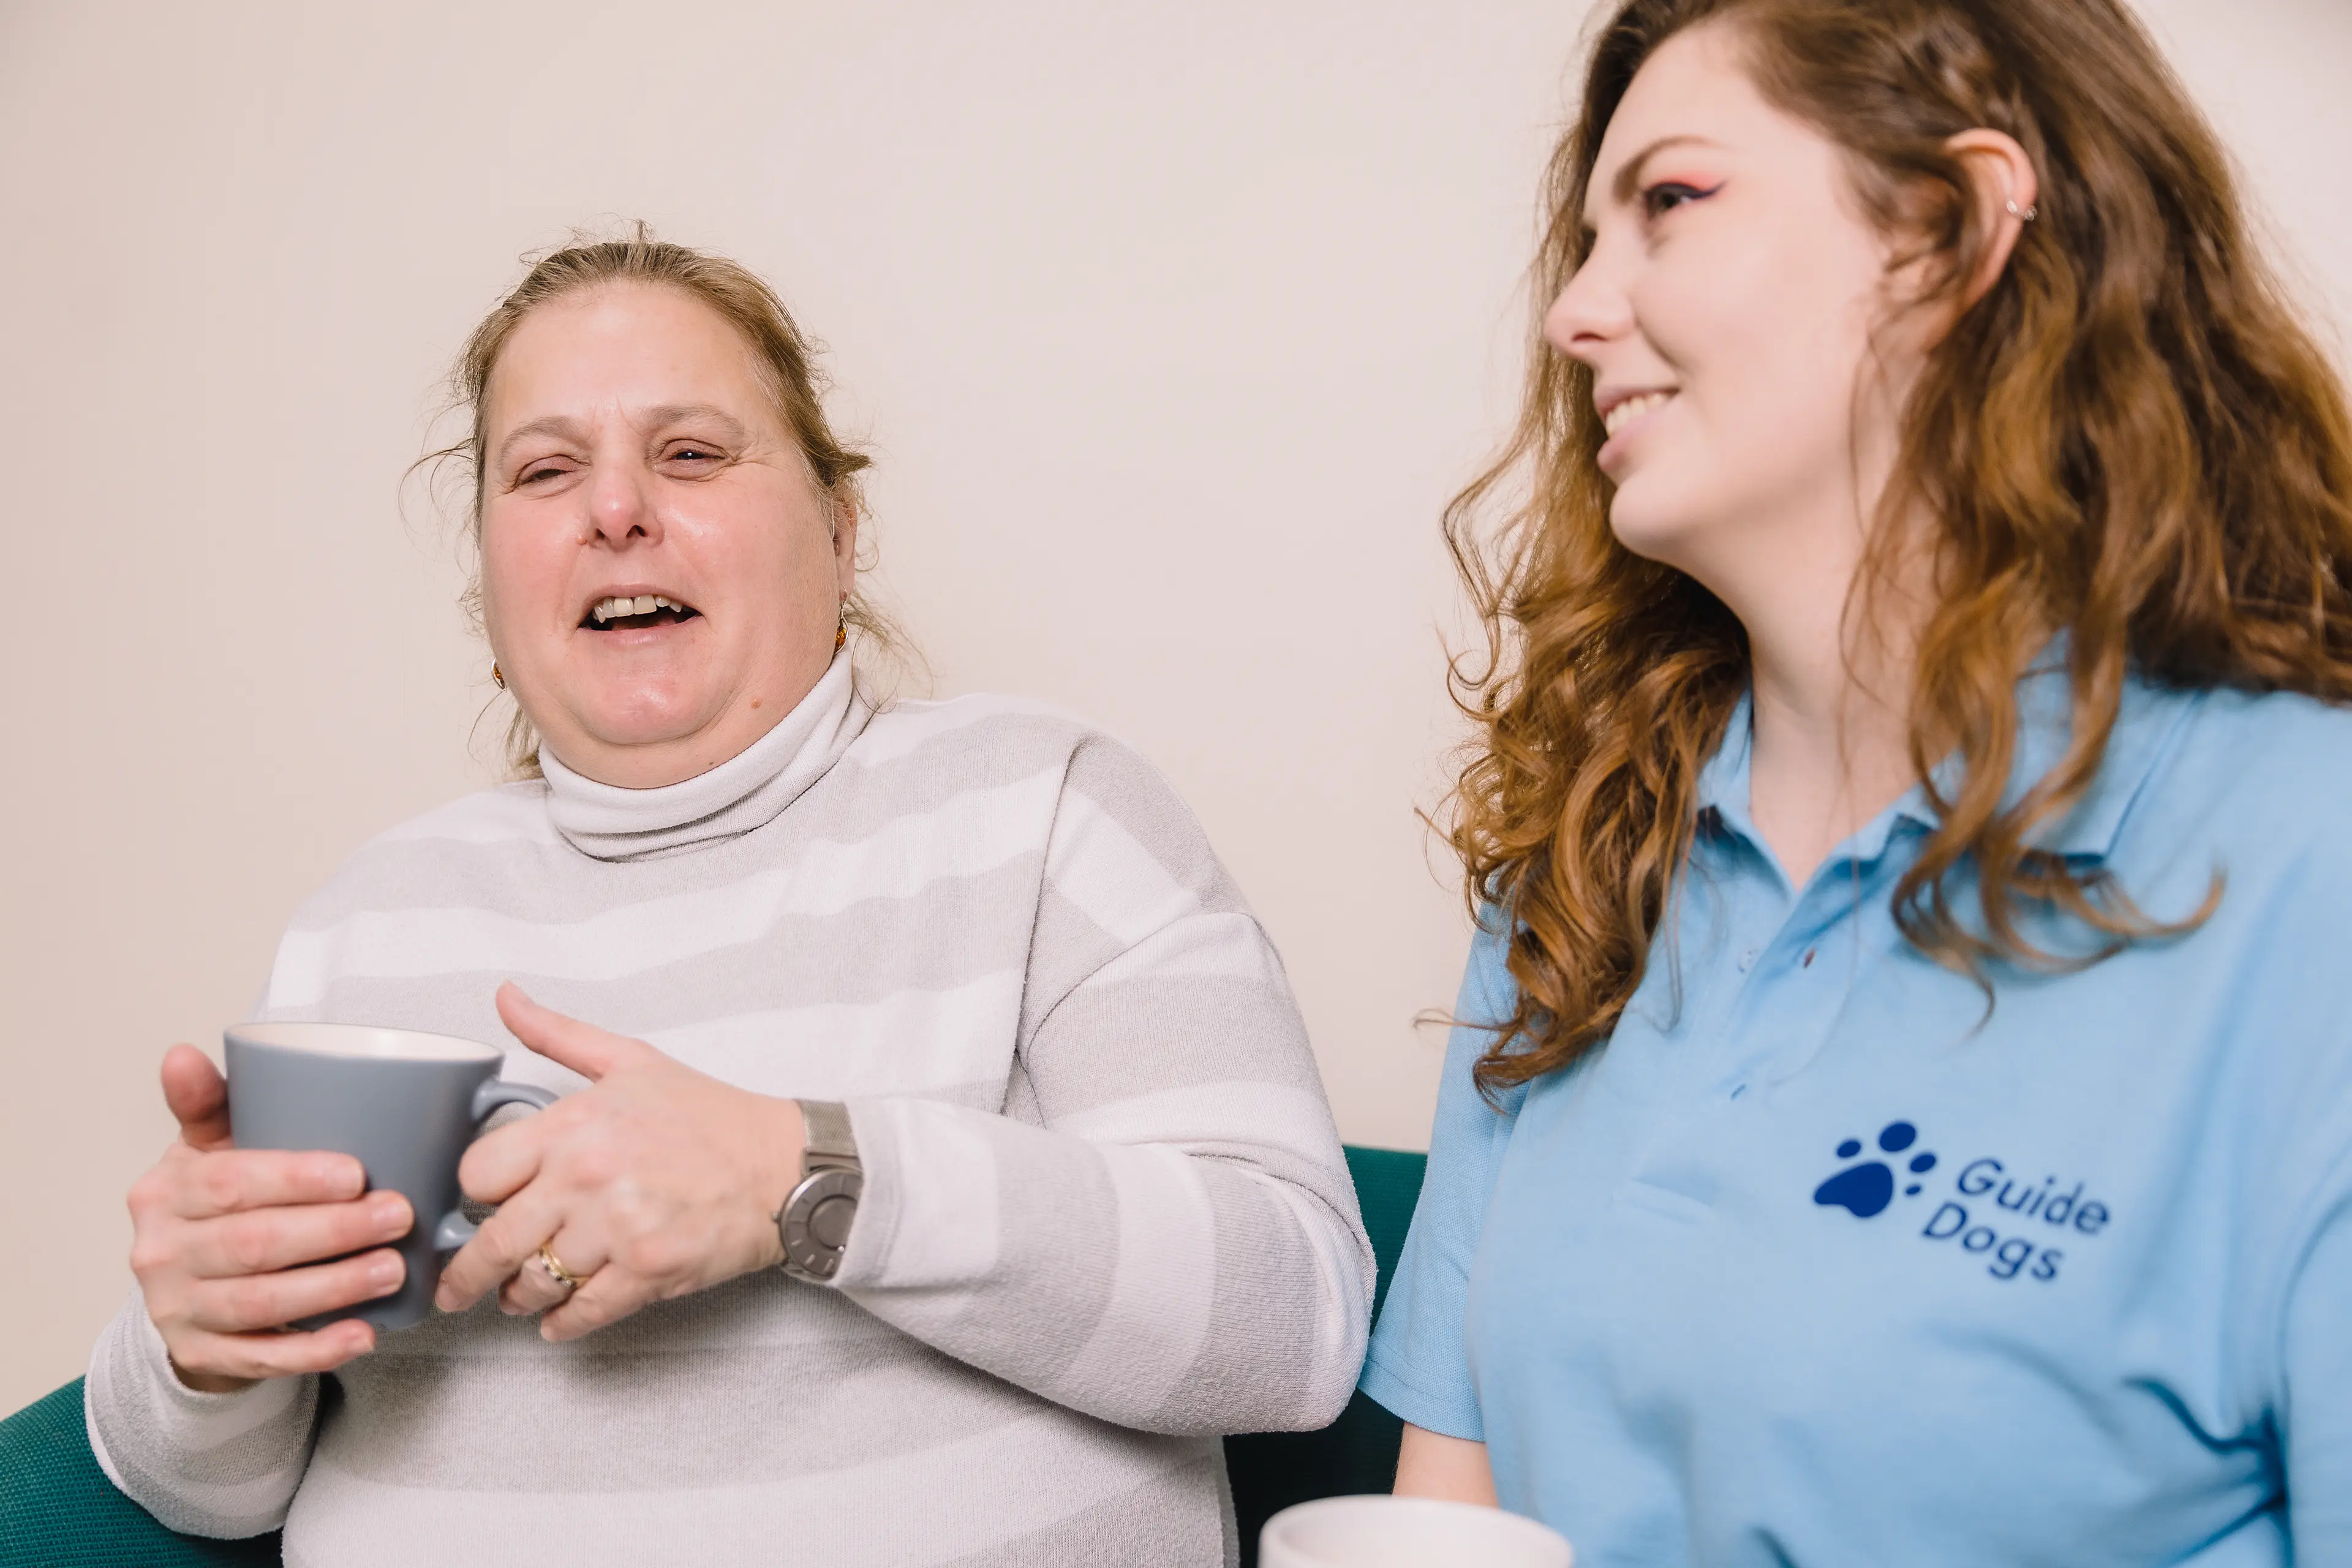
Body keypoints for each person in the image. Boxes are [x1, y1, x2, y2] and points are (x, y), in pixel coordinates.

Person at [88, 231, 1372, 1567]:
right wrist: (202, 1343)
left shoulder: (1048, 808)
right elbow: (211, 1492)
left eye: (692, 453)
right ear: (488, 577)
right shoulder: (366, 920)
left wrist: (803, 1178)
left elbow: (1299, 1323)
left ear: (840, 526)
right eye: (544, 470)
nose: (617, 510)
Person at [1362, 0, 2352, 1562]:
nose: (1575, 310)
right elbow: (1451, 1501)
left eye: (1670, 205)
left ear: (1953, 230)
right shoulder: (1586, 860)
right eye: (1584, 234)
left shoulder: (2312, 862)